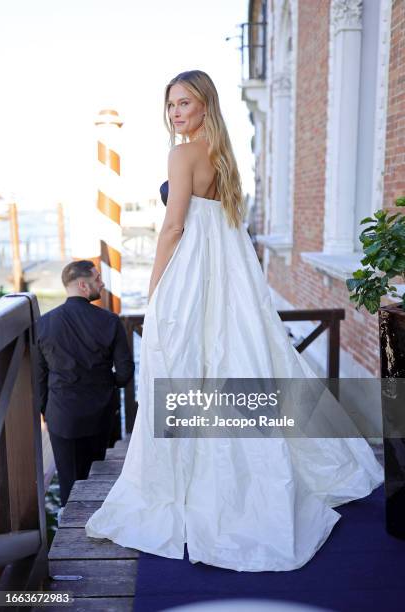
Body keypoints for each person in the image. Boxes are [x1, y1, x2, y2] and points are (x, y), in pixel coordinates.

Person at [85, 70, 383, 572]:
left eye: (185, 103)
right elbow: (222, 231)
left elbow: (175, 226)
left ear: (205, 105)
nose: (176, 113)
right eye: (171, 105)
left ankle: (193, 482)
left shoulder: (181, 155)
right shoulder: (224, 159)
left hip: (189, 279)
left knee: (185, 369)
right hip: (223, 280)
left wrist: (155, 292)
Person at [37, 260, 133, 507]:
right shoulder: (110, 321)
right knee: (96, 478)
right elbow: (125, 373)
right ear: (83, 284)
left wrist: (46, 410)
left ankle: (71, 529)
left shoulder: (44, 323)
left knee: (69, 482)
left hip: (62, 415)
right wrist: (104, 383)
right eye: (98, 279)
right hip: (100, 413)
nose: (101, 284)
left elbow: (39, 376)